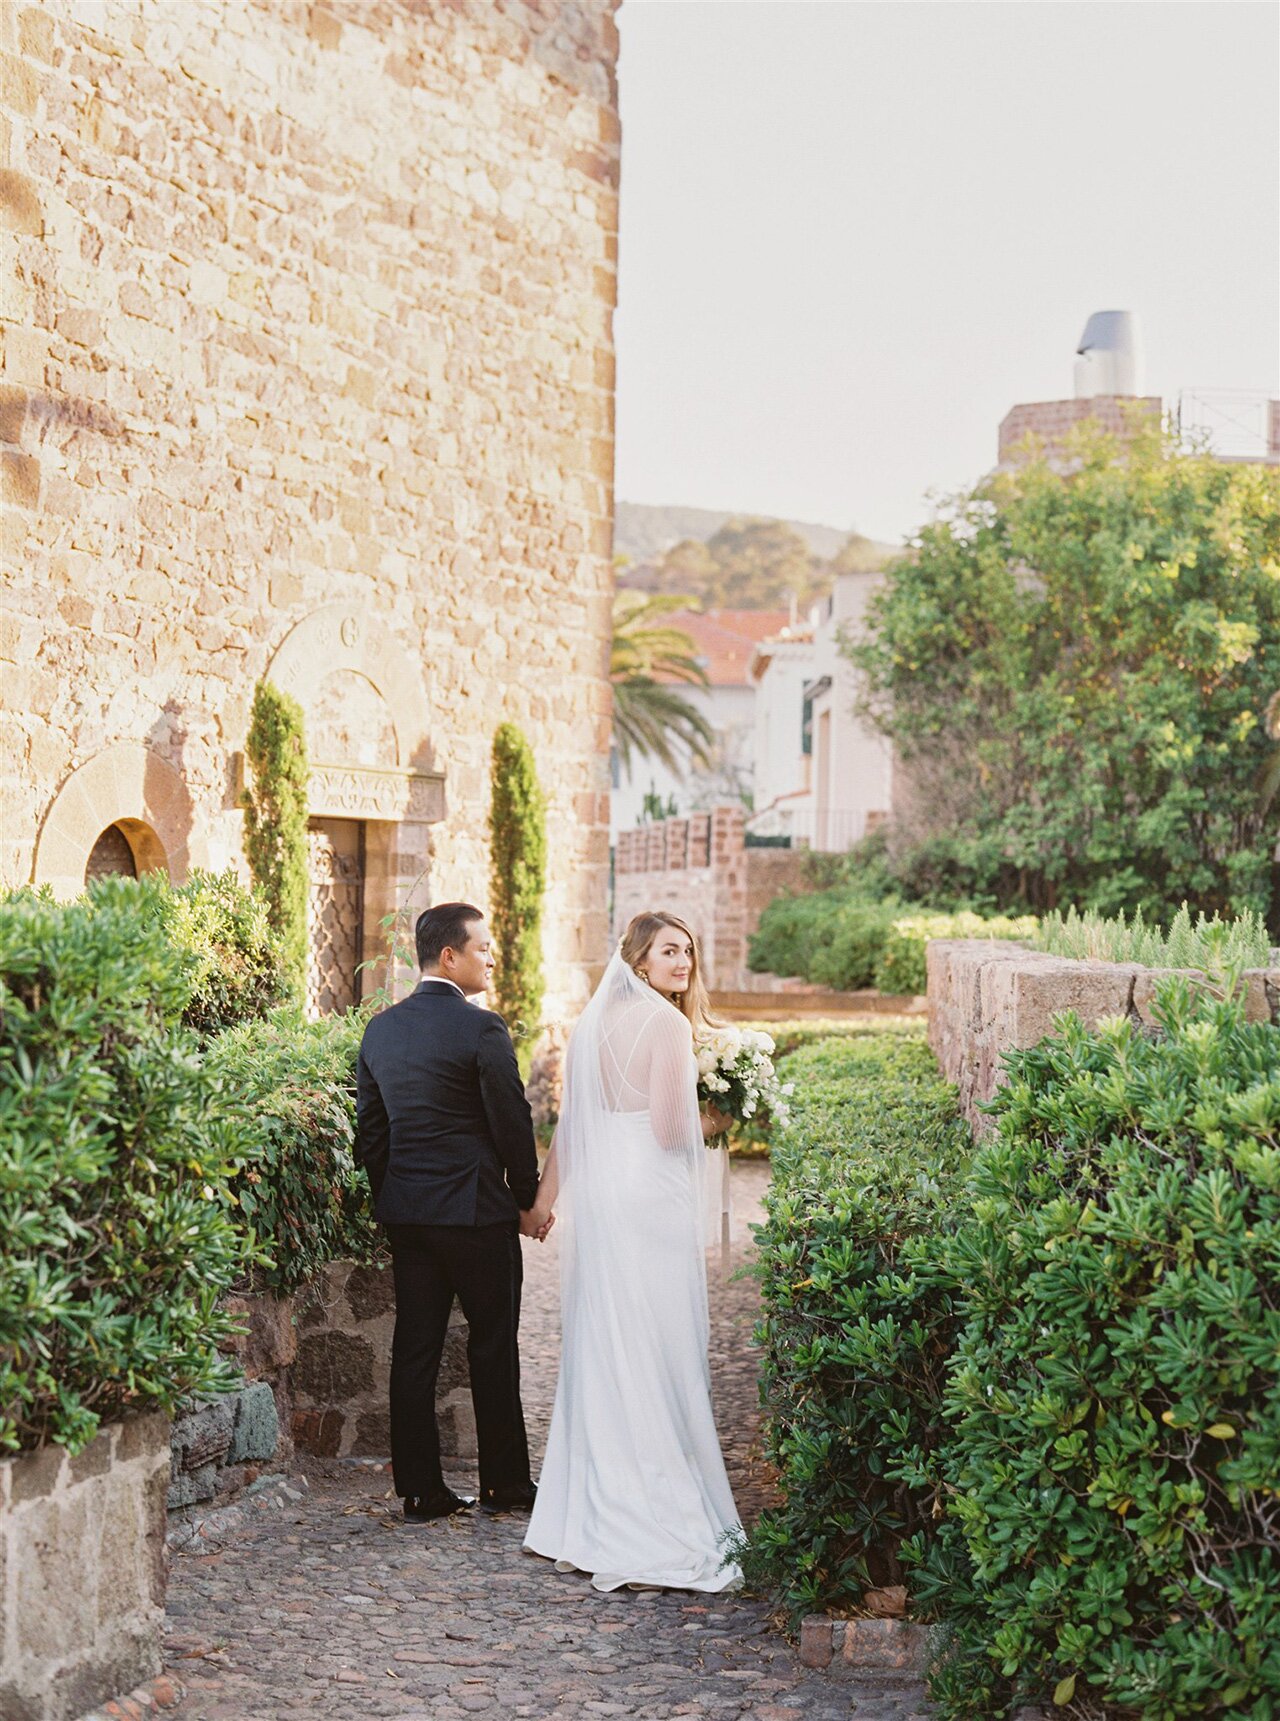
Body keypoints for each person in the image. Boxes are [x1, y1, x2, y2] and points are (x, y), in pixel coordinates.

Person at [522, 910, 743, 1592]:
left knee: (607, 1334)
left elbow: (572, 1128)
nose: (683, 961)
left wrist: (541, 1202)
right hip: (649, 1196)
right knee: (657, 1339)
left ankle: (584, 1508)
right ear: (639, 960)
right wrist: (725, 1113)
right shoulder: (670, 1026)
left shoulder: (589, 1028)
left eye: (689, 949)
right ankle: (653, 1510)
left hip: (605, 1199)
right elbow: (673, 1128)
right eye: (669, 950)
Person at [355, 902, 551, 1522]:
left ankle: (420, 1492)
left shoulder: (380, 1030)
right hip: (476, 1215)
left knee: (415, 1350)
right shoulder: (482, 1028)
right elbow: (512, 1122)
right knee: (493, 1345)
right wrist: (526, 1197)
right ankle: (505, 1486)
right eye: (483, 947)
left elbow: (372, 1135)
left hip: (409, 1216)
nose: (492, 956)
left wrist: (399, 1196)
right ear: (450, 956)